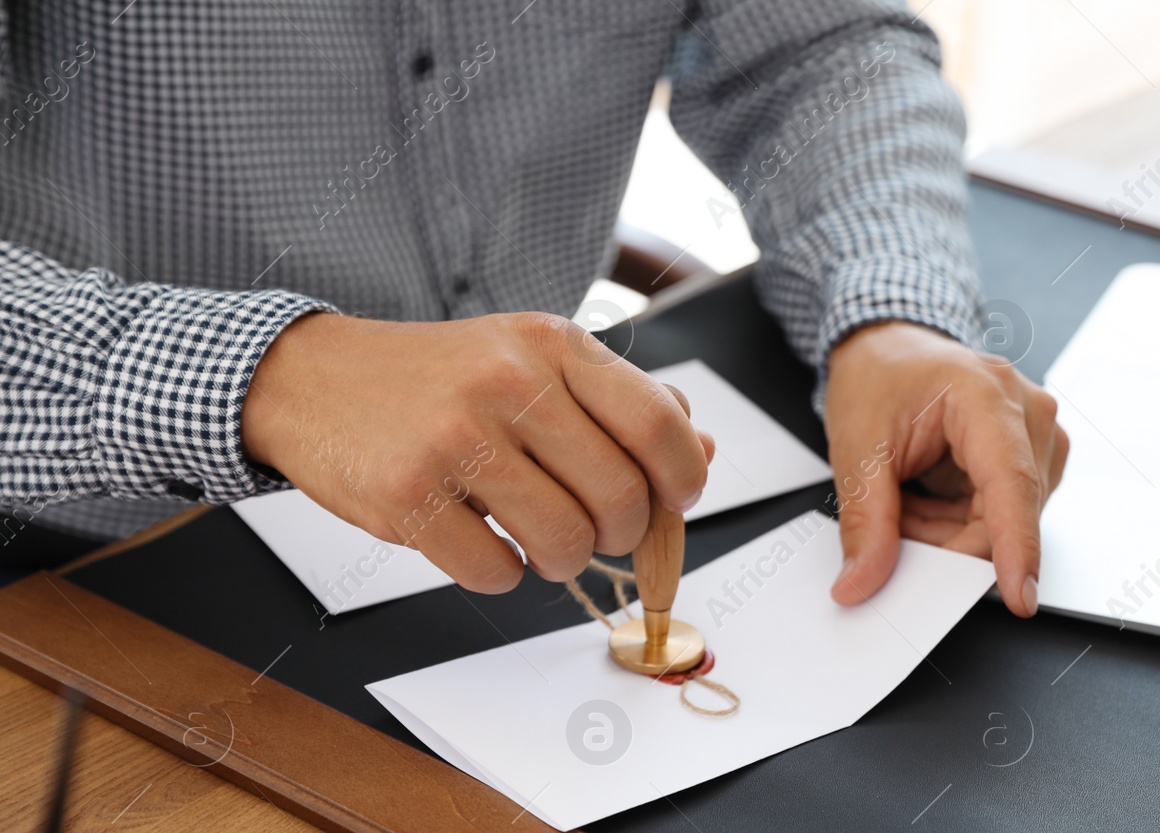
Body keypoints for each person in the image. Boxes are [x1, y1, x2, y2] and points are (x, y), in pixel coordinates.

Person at [0, 1, 1066, 616]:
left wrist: (889, 309)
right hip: (90, 561)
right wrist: (269, 374)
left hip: (546, 503)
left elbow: (814, 50)